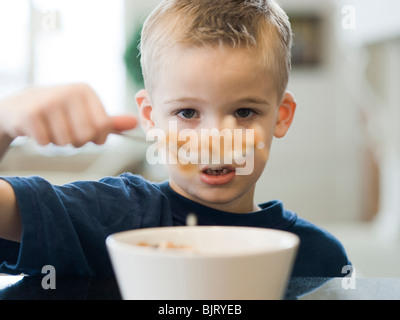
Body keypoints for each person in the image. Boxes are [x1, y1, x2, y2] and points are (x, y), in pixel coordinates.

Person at [0, 0, 350, 277]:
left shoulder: (320, 257)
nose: (215, 141)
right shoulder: (115, 216)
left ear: (281, 115)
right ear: (151, 118)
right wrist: (4, 123)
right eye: (187, 113)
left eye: (244, 112)